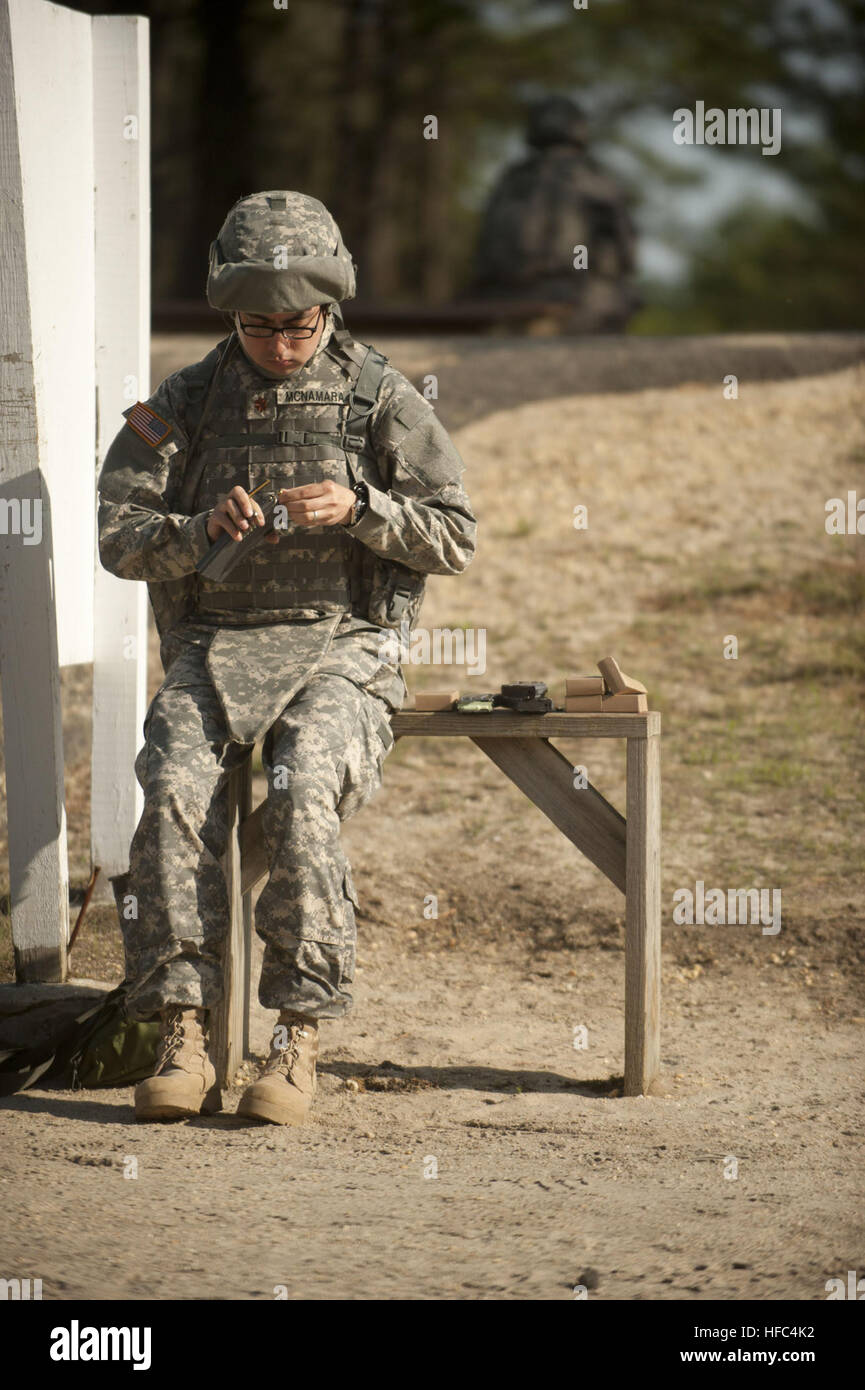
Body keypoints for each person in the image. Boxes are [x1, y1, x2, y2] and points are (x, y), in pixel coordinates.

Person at [97, 190, 476, 1126]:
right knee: (176, 787)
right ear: (230, 315)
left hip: (345, 646)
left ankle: (297, 1038)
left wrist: (363, 510)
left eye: (299, 326)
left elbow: (455, 537)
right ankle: (182, 1032)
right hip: (217, 644)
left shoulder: (381, 396)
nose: (281, 345)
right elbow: (118, 537)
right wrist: (194, 530)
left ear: (330, 310)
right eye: (259, 328)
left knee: (305, 791)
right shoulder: (181, 403)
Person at [468, 95, 640, 331]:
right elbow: (627, 254)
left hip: (500, 296)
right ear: (577, 128)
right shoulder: (592, 177)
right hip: (573, 298)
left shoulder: (513, 177)